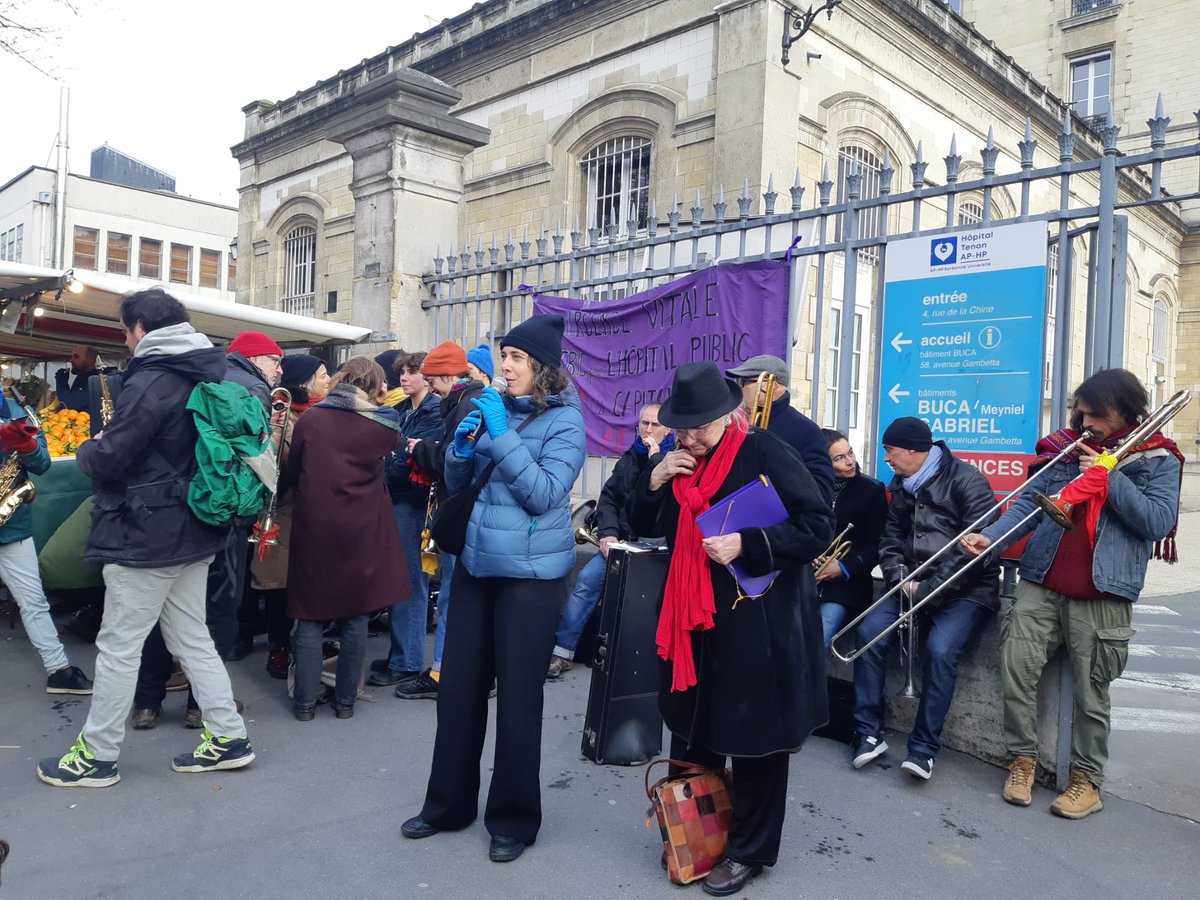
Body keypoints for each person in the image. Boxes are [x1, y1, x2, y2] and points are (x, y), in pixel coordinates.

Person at [625, 361, 833, 897]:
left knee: (754, 741)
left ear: (727, 414)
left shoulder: (764, 451)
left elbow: (815, 526)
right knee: (694, 732)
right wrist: (652, 482)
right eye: (682, 427)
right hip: (691, 621)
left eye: (700, 428)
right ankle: (700, 831)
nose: (690, 438)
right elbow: (644, 524)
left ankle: (749, 850)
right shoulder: (674, 459)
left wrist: (750, 544)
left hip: (755, 623)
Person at [37, 288, 253, 788]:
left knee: (117, 646)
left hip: (147, 531)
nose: (125, 340)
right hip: (195, 525)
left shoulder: (153, 380)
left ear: (140, 328)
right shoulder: (207, 369)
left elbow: (112, 457)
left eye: (124, 330)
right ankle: (228, 736)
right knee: (192, 637)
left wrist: (90, 449)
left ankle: (96, 755)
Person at [401, 314, 586, 864]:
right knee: (458, 693)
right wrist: (459, 452)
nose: (504, 367)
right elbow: (463, 488)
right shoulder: (495, 410)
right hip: (478, 567)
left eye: (516, 359)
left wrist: (500, 435)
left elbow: (544, 493)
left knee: (519, 702)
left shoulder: (568, 424)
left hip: (530, 579)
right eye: (503, 356)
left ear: (543, 370)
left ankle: (513, 819)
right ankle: (447, 805)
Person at [962, 369, 1182, 819]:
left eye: (1095, 414)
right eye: (1081, 412)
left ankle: (1087, 781)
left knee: (1091, 692)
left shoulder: (1159, 458)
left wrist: (1110, 477)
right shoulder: (1067, 446)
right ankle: (1021, 761)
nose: (1085, 422)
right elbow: (1028, 503)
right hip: (1042, 580)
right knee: (1015, 671)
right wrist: (993, 537)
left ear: (1124, 410)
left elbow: (1157, 523)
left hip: (1103, 592)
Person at [849, 416, 998, 781]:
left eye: (890, 450)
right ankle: (867, 732)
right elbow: (890, 538)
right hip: (910, 585)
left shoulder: (967, 479)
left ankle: (924, 749)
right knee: (868, 635)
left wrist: (928, 588)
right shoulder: (901, 484)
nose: (886, 458)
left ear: (915, 450)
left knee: (941, 650)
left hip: (966, 589)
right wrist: (899, 577)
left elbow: (975, 550)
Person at [286, 356, 407, 720]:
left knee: (308, 617)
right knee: (355, 617)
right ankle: (346, 703)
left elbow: (293, 472)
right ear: (375, 385)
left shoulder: (311, 419)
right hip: (363, 528)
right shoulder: (383, 425)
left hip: (315, 528)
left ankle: (305, 704)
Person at [546, 402, 673, 679]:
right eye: (644, 424)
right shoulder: (629, 457)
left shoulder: (673, 458)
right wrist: (608, 534)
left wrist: (654, 460)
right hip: (621, 542)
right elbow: (609, 499)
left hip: (656, 548)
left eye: (655, 424)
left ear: (668, 428)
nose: (648, 430)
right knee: (586, 583)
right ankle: (562, 652)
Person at [390, 341, 485, 701]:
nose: (430, 387)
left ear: (448, 375)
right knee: (453, 594)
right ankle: (453, 669)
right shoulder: (461, 402)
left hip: (460, 509)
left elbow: (455, 458)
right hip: (458, 507)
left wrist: (419, 449)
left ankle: (446, 672)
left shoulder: (466, 405)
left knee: (453, 596)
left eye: (432, 379)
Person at [0, 390, 93, 694]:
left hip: (12, 525)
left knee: (34, 602)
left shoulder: (19, 411)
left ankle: (59, 670)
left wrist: (24, 444)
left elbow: (42, 465)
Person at [247, 354, 331, 680]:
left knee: (303, 583)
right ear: (305, 381)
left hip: (309, 512)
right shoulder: (281, 415)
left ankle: (302, 645)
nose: (328, 379)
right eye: (322, 374)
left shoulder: (318, 413)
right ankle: (279, 649)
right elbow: (276, 466)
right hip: (284, 510)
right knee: (280, 587)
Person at [369, 351, 444, 688]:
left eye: (412, 372)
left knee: (410, 582)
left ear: (427, 377)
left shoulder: (433, 411)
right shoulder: (402, 410)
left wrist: (392, 459)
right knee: (400, 580)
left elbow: (407, 460)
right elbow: (387, 452)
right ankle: (402, 655)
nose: (404, 377)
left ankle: (407, 660)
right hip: (396, 498)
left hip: (413, 502)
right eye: (403, 371)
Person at [224, 331, 284, 661]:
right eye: (276, 361)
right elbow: (256, 451)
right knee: (236, 576)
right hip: (238, 496)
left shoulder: (217, 376)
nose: (279, 370)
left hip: (214, 492)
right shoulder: (255, 386)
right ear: (256, 359)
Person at [726, 354, 835, 504]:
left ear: (767, 385)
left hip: (777, 522)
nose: (739, 389)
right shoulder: (737, 423)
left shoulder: (805, 430)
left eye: (743, 382)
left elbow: (821, 490)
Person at [815, 429, 888, 652]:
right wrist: (807, 551)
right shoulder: (810, 487)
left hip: (847, 585)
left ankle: (811, 688)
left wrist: (844, 567)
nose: (850, 462)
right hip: (803, 580)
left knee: (820, 635)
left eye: (850, 453)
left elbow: (878, 544)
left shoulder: (872, 490)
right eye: (839, 458)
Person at [53, 345, 99, 412]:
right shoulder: (82, 376)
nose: (71, 360)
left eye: (76, 357)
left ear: (90, 360)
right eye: (72, 357)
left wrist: (61, 383)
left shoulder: (94, 380)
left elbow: (71, 405)